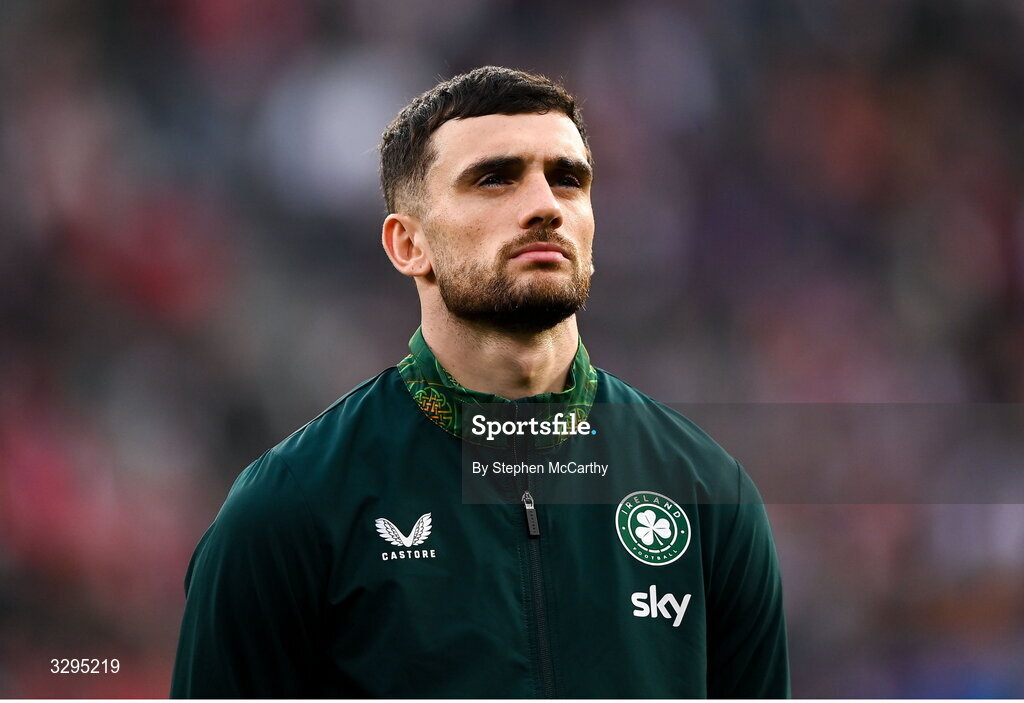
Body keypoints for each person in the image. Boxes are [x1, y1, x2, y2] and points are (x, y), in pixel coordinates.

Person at [171, 66, 789, 698]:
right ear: (409, 243)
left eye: (567, 179)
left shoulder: (708, 492)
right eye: (495, 179)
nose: (546, 205)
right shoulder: (290, 507)